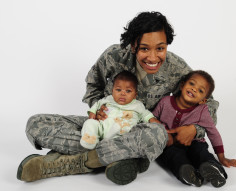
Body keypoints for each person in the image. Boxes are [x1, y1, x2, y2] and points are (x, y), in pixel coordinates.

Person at [17, 11, 219, 185]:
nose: (153, 57)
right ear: (133, 46)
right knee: (35, 124)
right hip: (102, 127)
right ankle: (123, 158)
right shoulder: (113, 56)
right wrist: (96, 110)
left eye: (160, 48)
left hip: (140, 133)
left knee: (159, 134)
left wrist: (195, 128)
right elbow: (93, 83)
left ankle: (74, 163)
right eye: (144, 48)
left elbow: (208, 102)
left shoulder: (176, 67)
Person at [153, 70, 236, 187]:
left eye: (200, 90)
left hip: (194, 143)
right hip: (170, 144)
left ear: (203, 101)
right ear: (182, 85)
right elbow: (152, 119)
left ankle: (213, 169)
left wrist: (222, 157)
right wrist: (163, 132)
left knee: (201, 153)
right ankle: (188, 173)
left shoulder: (202, 111)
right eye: (192, 84)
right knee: (173, 157)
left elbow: (213, 132)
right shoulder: (165, 102)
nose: (194, 89)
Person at [80, 71, 159, 149]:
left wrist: (158, 125)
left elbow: (147, 115)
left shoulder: (137, 105)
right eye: (118, 90)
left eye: (128, 91)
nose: (123, 93)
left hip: (121, 134)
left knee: (125, 129)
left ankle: (109, 144)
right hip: (102, 129)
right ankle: (90, 141)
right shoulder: (108, 99)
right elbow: (97, 104)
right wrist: (92, 112)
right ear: (112, 91)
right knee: (89, 123)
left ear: (135, 95)